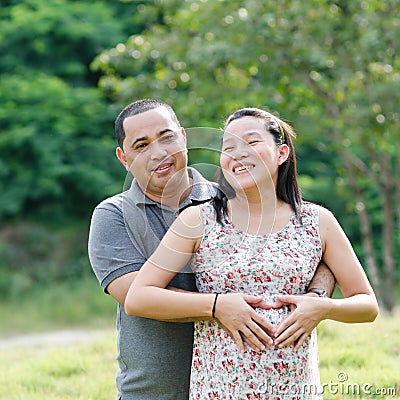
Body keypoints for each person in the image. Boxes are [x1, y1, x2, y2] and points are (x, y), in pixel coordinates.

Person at [124, 107, 379, 399]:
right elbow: (139, 297)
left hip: (296, 391)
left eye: (252, 142)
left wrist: (323, 308)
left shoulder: (317, 222)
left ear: (281, 153)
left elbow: (367, 304)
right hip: (219, 391)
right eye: (228, 147)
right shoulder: (198, 221)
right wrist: (216, 305)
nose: (238, 153)